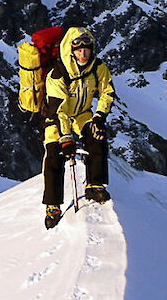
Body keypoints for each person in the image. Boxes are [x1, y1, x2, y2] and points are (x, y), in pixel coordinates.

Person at [42, 27, 116, 229]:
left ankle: (95, 184)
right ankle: (53, 205)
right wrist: (66, 137)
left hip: (83, 112)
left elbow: (107, 91)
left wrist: (100, 116)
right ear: (71, 50)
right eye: (78, 49)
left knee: (97, 137)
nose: (83, 53)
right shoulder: (58, 73)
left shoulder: (98, 68)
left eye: (87, 49)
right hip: (56, 118)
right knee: (54, 156)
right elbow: (59, 110)